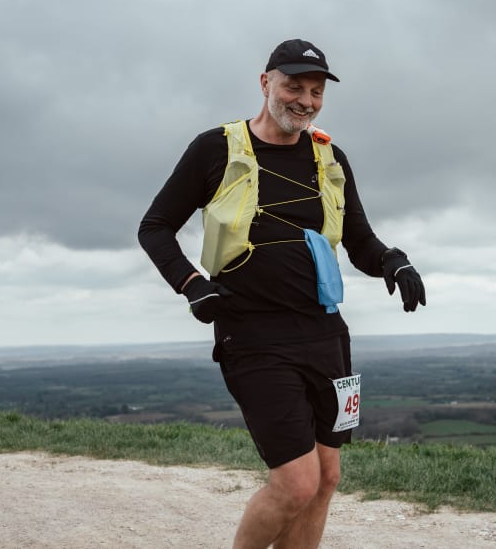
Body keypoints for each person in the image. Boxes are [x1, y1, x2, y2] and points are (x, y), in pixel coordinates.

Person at [138, 38, 426, 548]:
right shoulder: (215, 148)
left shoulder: (329, 157)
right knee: (296, 482)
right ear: (265, 82)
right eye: (295, 87)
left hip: (326, 333)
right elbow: (155, 226)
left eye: (316, 92)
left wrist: (392, 261)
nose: (306, 101)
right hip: (255, 336)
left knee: (327, 477)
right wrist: (191, 284)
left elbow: (358, 239)